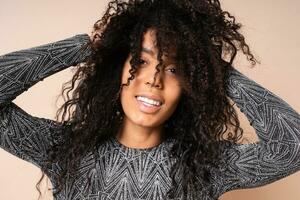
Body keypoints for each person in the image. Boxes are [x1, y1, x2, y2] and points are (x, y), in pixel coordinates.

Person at [0, 0, 299, 199]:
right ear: (116, 68)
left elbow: (293, 147)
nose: (154, 79)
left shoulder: (206, 166)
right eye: (141, 62)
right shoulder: (64, 150)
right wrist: (84, 46)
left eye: (173, 69)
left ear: (190, 82)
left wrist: (213, 68)